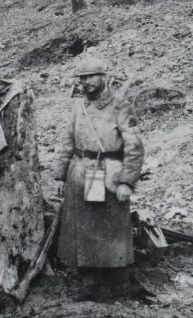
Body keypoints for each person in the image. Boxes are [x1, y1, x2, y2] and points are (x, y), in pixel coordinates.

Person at [54, 55, 144, 299]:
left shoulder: (120, 105)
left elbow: (134, 146)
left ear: (104, 77)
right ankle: (90, 284)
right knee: (83, 231)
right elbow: (67, 142)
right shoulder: (78, 106)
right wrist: (60, 176)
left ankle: (119, 284)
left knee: (113, 230)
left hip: (109, 174)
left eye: (91, 76)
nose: (86, 82)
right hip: (81, 173)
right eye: (82, 78)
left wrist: (127, 181)